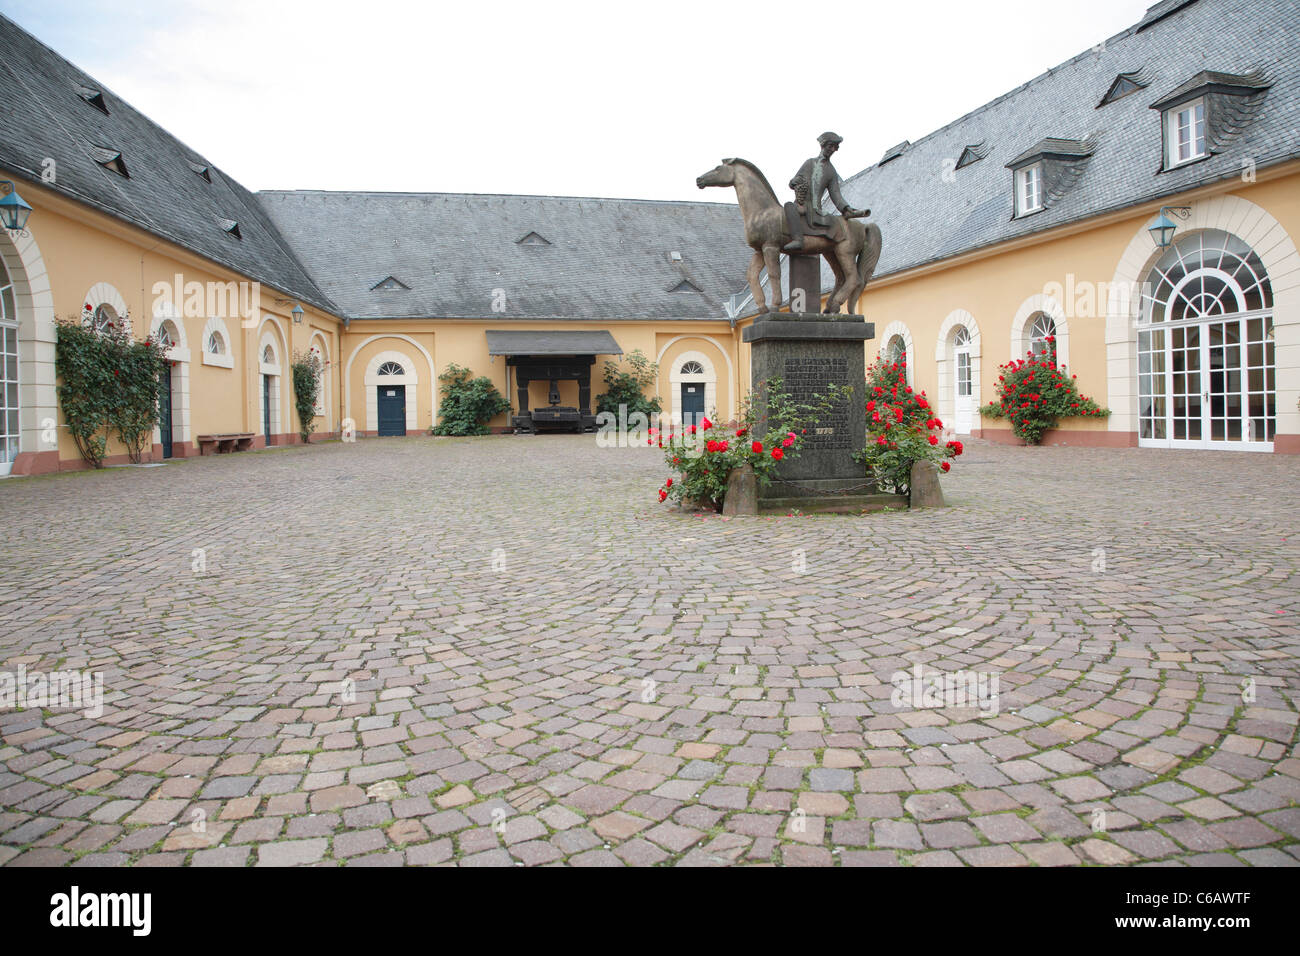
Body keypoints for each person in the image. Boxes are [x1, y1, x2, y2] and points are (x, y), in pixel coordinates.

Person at [784, 131, 868, 252]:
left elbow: (836, 194)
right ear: (823, 146)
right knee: (788, 207)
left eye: (835, 147)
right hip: (801, 203)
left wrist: (846, 208)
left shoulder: (831, 171)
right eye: (830, 146)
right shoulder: (809, 163)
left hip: (815, 210)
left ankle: (798, 240)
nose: (833, 150)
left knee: (789, 208)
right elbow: (793, 183)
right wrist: (794, 182)